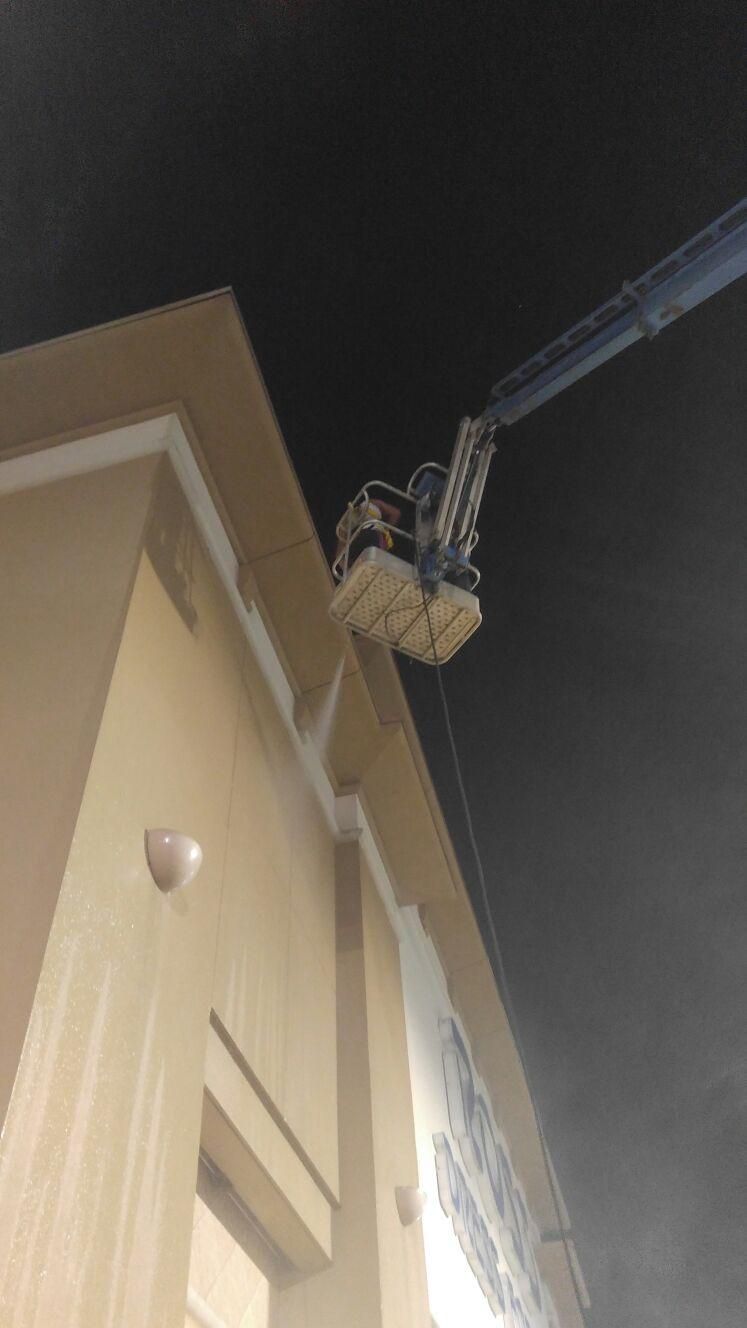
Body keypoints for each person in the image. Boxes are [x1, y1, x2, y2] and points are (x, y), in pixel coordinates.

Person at [335, 493, 401, 569]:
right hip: (367, 540)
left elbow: (396, 513)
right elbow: (340, 558)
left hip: (373, 538)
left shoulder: (371, 505)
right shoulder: (346, 525)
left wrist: (386, 531)